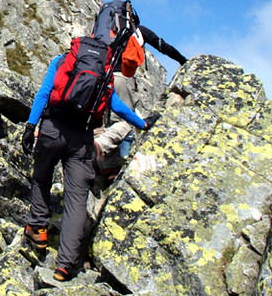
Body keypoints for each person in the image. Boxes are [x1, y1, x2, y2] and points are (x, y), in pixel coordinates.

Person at [22, 44, 157, 282]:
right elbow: (116, 106)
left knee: (42, 177)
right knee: (76, 200)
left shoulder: (62, 61)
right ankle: (64, 265)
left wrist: (31, 125)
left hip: (53, 129)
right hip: (83, 139)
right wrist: (142, 124)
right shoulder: (104, 75)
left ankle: (39, 229)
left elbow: (44, 93)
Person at [94, 19, 186, 177]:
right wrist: (182, 60)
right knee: (125, 122)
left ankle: (105, 165)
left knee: (107, 122)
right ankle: (101, 151)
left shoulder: (105, 32)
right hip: (121, 77)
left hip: (101, 78)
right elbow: (162, 46)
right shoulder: (137, 30)